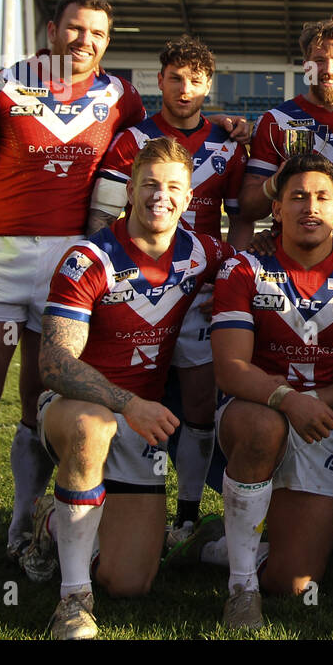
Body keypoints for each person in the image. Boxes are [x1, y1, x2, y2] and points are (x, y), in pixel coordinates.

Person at [0, 0, 146, 587]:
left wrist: (227, 122)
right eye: (76, 29)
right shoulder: (2, 82)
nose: (85, 41)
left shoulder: (120, 95)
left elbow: (151, 146)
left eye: (98, 33)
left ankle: (24, 531)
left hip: (68, 259)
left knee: (38, 401)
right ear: (52, 30)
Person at [32, 137, 229, 638]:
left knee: (130, 583)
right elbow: (53, 364)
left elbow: (263, 271)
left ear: (189, 199)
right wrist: (128, 403)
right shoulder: (89, 257)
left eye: (173, 188)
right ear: (129, 192)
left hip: (139, 422)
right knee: (90, 424)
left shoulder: (203, 252)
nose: (160, 197)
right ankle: (72, 601)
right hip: (80, 407)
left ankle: (54, 521)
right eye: (149, 185)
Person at [210, 153, 333, 629]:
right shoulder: (244, 268)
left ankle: (220, 543)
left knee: (295, 585)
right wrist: (289, 400)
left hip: (323, 422)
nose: (309, 207)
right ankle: (240, 587)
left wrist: (312, 406)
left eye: (321, 197)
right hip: (258, 409)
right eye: (296, 197)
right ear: (277, 211)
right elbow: (230, 369)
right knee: (262, 424)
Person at [88, 35, 248, 549]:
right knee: (135, 392)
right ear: (159, 81)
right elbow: (104, 214)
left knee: (201, 404)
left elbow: (241, 220)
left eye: (195, 79)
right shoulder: (132, 139)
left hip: (198, 285)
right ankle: (110, 495)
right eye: (175, 77)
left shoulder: (227, 143)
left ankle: (187, 513)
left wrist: (232, 276)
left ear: (208, 85)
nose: (184, 88)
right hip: (136, 283)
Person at [241, 16, 333, 230]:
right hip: (291, 256)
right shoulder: (276, 121)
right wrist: (277, 181)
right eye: (319, 60)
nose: (328, 69)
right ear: (306, 66)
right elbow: (249, 208)